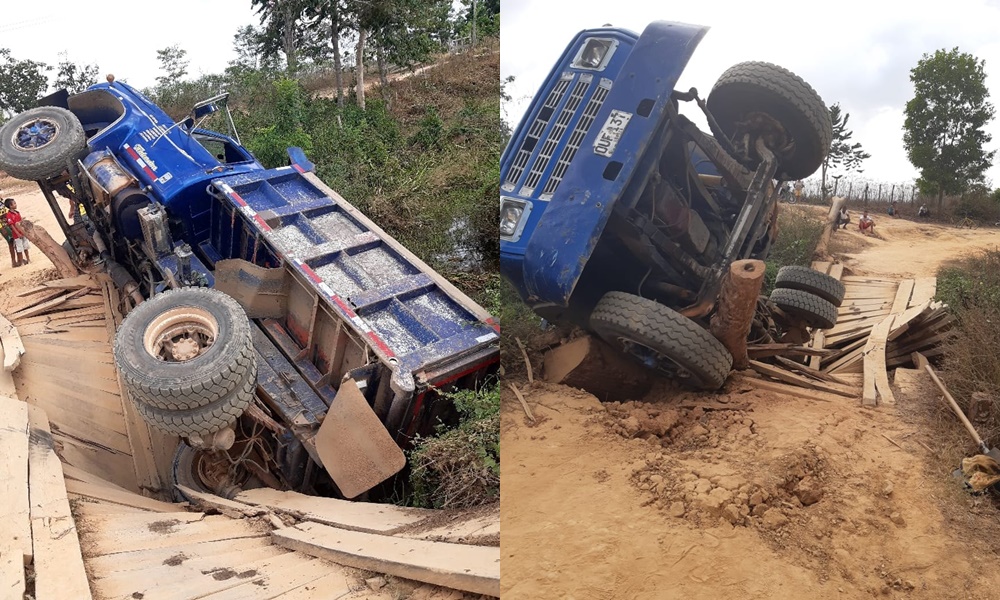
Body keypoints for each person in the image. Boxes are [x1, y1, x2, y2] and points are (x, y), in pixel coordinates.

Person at [4, 198, 30, 266]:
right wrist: (18, 233)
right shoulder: (9, 215)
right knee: (19, 248)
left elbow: (21, 221)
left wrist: (24, 230)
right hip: (16, 234)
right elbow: (11, 225)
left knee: (25, 246)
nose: (16, 204)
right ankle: (21, 262)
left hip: (22, 232)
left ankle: (28, 259)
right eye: (14, 203)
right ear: (10, 206)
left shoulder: (17, 213)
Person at [0, 203, 14, 268]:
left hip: (8, 223)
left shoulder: (1, 202)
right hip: (4, 226)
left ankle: (16, 260)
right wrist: (1, 228)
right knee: (10, 242)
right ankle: (14, 261)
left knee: (13, 241)